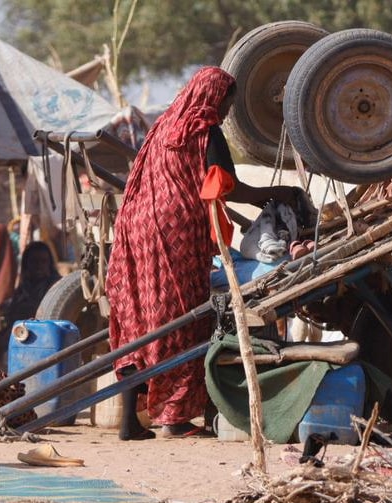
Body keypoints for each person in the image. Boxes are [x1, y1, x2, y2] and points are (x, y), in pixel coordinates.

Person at [106, 66, 306, 440]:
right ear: (215, 99)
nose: (226, 113)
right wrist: (276, 193)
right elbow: (225, 187)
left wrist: (240, 219)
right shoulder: (204, 129)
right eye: (226, 104)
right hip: (174, 232)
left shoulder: (164, 126)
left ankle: (130, 421)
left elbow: (197, 185)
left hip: (134, 227)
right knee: (180, 317)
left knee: (139, 319)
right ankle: (175, 418)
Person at [4, 241, 61, 325]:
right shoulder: (23, 289)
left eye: (43, 261)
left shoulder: (57, 286)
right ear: (27, 264)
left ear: (49, 263)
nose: (39, 266)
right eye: (34, 261)